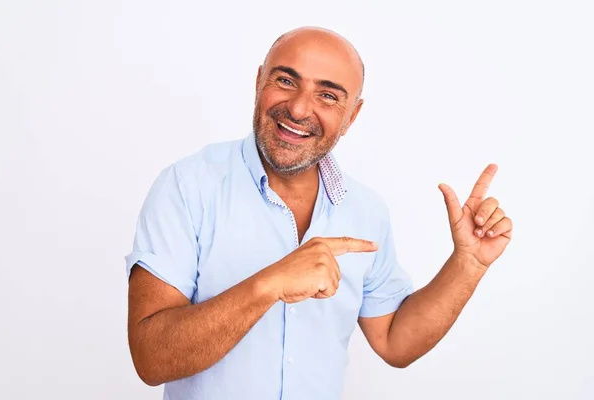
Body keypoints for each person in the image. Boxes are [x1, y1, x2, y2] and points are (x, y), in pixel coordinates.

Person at [125, 26, 513, 399]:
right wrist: (269, 283)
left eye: (328, 96)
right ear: (259, 82)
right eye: (286, 81)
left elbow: (395, 340)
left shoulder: (366, 210)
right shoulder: (187, 186)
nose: (297, 108)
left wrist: (468, 264)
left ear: (352, 116)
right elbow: (151, 357)